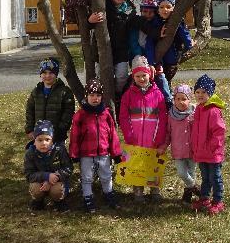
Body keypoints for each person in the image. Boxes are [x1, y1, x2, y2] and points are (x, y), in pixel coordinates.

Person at [118, 56, 169, 204]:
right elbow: (123, 117)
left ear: (150, 75)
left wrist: (159, 138)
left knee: (153, 164)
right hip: (135, 139)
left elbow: (163, 118)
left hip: (153, 139)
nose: (141, 79)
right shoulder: (128, 95)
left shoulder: (158, 94)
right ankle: (138, 191)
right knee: (137, 165)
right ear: (133, 76)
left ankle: (154, 190)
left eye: (144, 75)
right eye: (138, 76)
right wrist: (129, 135)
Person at [69, 79, 124, 213]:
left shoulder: (105, 114)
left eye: (98, 95)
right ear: (86, 96)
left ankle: (109, 193)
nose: (95, 98)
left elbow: (112, 135)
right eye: (92, 95)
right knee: (87, 177)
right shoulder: (80, 116)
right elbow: (75, 136)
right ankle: (87, 197)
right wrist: (74, 154)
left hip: (103, 153)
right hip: (86, 154)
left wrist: (116, 153)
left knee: (106, 175)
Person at [90, 0, 140, 97]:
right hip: (102, 49)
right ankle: (103, 97)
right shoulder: (102, 6)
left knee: (122, 76)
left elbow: (136, 24)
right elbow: (88, 24)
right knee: (102, 76)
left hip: (121, 49)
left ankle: (117, 95)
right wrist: (90, 21)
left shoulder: (130, 9)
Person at [190, 74, 226, 215]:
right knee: (205, 177)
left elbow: (219, 131)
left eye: (203, 92)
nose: (200, 95)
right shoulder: (198, 109)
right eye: (197, 92)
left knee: (215, 178)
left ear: (210, 93)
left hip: (212, 153)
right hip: (201, 152)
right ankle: (204, 198)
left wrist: (212, 147)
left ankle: (218, 201)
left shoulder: (213, 110)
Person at [161, 83, 199, 203]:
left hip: (192, 150)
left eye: (184, 99)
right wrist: (164, 146)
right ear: (174, 99)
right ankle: (195, 187)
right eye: (178, 99)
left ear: (189, 100)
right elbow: (168, 133)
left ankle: (187, 197)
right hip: (178, 151)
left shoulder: (194, 114)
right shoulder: (171, 115)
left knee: (192, 172)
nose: (181, 102)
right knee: (182, 173)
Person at [23, 120, 73, 212]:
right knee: (35, 189)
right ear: (34, 141)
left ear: (52, 140)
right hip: (39, 182)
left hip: (57, 182)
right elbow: (29, 175)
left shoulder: (60, 150)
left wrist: (55, 177)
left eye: (47, 139)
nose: (43, 143)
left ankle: (59, 201)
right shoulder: (30, 153)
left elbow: (68, 168)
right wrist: (45, 176)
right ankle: (38, 201)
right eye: (40, 140)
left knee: (57, 190)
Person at [24, 58, 76, 145]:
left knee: (57, 157)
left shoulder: (64, 92)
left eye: (51, 73)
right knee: (40, 157)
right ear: (41, 74)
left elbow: (68, 113)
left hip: (57, 136)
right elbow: (30, 110)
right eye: (44, 73)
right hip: (39, 136)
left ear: (56, 74)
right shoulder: (36, 91)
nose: (47, 76)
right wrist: (29, 129)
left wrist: (60, 130)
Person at [145, 0, 192, 86]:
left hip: (172, 60)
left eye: (168, 7)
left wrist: (189, 44)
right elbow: (149, 43)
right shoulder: (154, 23)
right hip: (158, 59)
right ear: (157, 9)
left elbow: (184, 33)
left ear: (173, 8)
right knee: (158, 83)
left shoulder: (177, 21)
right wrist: (150, 62)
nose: (165, 10)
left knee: (166, 82)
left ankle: (168, 98)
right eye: (161, 7)